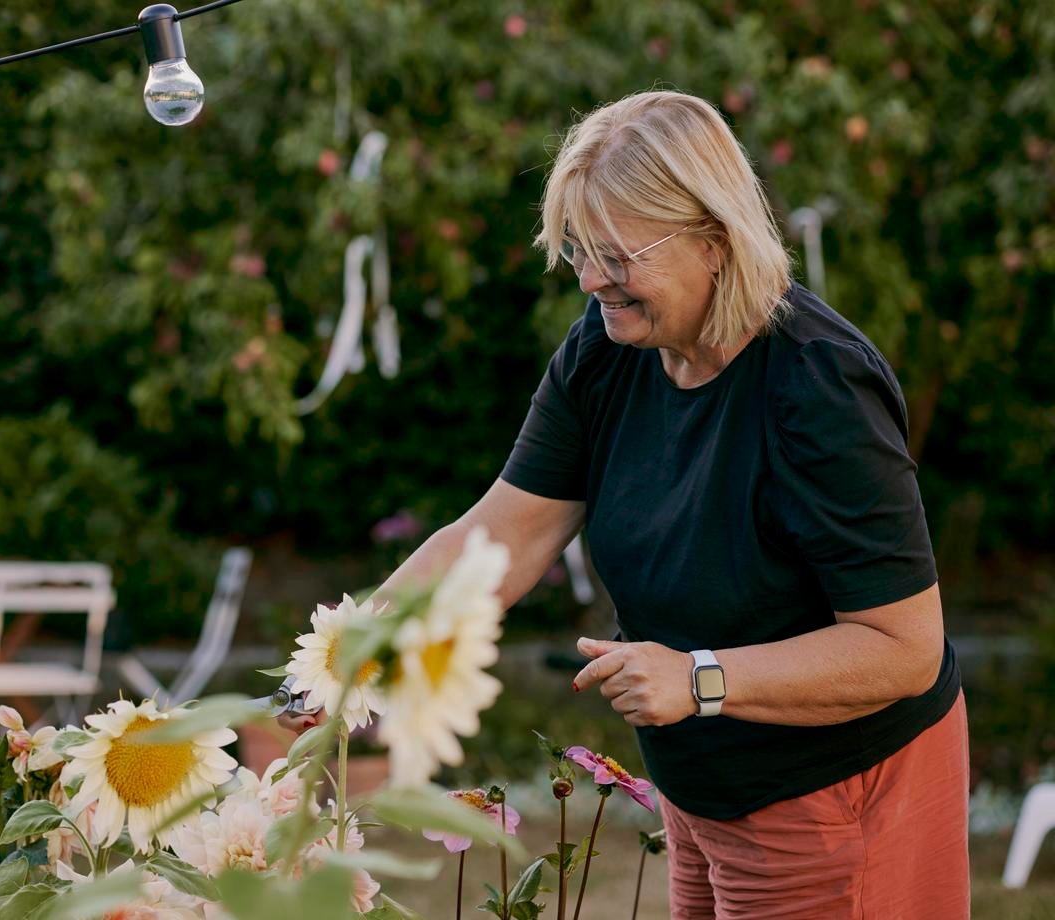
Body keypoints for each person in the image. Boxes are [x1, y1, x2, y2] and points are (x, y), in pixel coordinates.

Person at [282, 90, 967, 919]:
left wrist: (701, 677)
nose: (591, 277)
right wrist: (353, 653)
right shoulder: (609, 352)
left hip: (838, 800)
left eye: (618, 253)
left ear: (713, 241)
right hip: (702, 792)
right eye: (576, 247)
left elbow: (904, 649)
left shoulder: (818, 388)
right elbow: (499, 535)